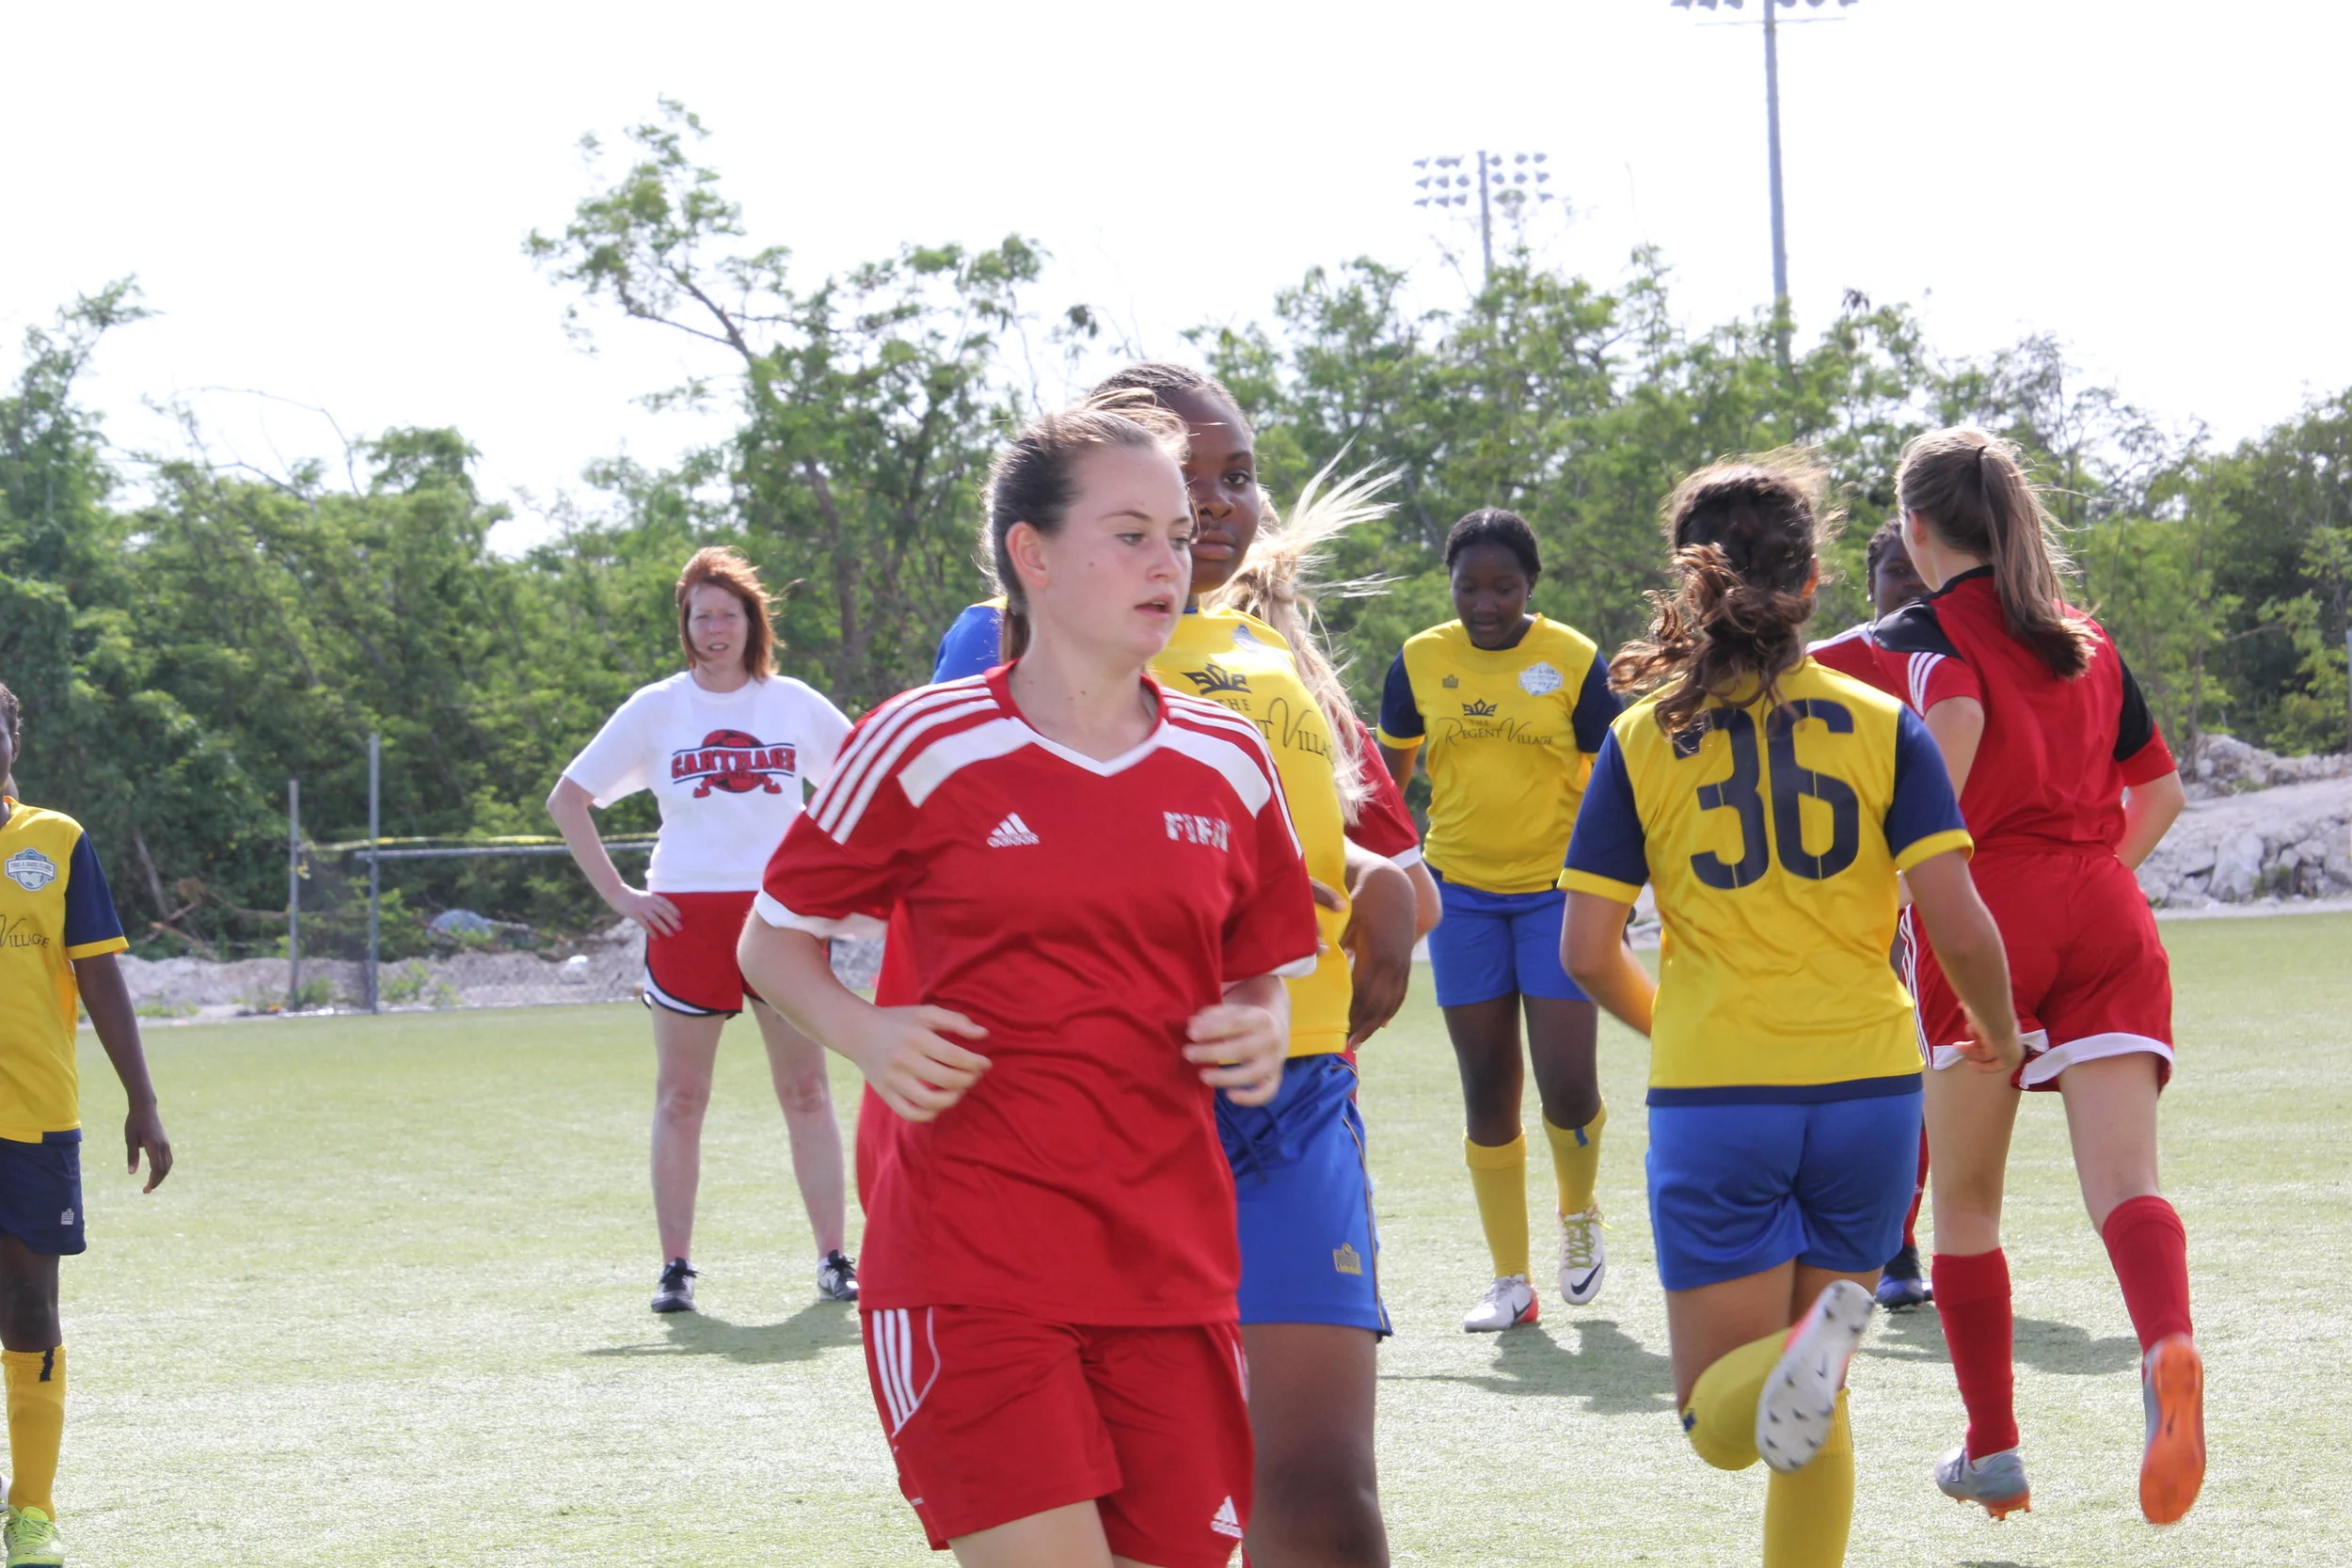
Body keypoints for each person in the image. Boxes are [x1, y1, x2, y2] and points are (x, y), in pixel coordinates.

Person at [738, 397, 1317, 1568]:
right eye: (1131, 534)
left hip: (1174, 1270)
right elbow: (770, 940)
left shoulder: (1229, 758)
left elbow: (1262, 970)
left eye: (1178, 532)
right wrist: (869, 1031)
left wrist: (1258, 1027)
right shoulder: (921, 742)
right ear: (1032, 555)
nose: (1172, 559)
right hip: (972, 1268)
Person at [927, 361, 1434, 1567]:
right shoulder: (1001, 639)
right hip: (1104, 1118)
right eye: (1180, 476)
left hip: (1296, 1099)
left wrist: (1383, 892)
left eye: (1235, 475)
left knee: (1321, 1489)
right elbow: (953, 854)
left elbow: (1384, 856)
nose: (1213, 503)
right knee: (1144, 1495)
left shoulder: (1275, 656)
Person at [1556, 455, 2023, 1568]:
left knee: (1720, 1425)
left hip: (1720, 1092)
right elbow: (1957, 923)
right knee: (1817, 1409)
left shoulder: (1640, 738)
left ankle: (1795, 1354)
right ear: (1815, 579)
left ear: (1687, 581)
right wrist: (2000, 1036)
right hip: (1870, 1095)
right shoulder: (1880, 721)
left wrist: (1672, 1021)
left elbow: (1584, 952)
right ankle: (1813, 1349)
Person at [1873, 430, 2201, 1527]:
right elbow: (2157, 798)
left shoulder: (1904, 635)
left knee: (1965, 1201)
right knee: (2127, 1185)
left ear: (1913, 527)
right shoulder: (2087, 639)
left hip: (1983, 915)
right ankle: (2165, 1342)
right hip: (2105, 907)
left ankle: (1993, 1446)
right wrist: (2086, 881)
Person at [547, 547, 857, 1315]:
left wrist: (840, 891)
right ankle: (676, 1268)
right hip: (685, 916)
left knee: (806, 1091)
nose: (716, 628)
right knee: (682, 1097)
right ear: (685, 626)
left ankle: (833, 1257)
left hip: (780, 919)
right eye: (701, 615)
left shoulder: (792, 703)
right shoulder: (658, 707)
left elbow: (867, 784)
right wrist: (621, 895)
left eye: (729, 613)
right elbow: (569, 798)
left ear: (755, 620)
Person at [1375, 510, 1621, 1332]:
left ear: (1531, 588)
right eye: (1469, 587)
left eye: (1504, 587)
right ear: (1449, 585)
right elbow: (1385, 784)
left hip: (1558, 895)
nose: (1486, 603)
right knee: (1487, 1089)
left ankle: (1579, 1214)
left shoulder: (1574, 660)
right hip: (1462, 897)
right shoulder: (1418, 661)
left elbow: (1615, 780)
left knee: (1567, 1086)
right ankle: (1511, 1281)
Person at [0, 680, 175, 1568]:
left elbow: (101, 976)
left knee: (30, 1305)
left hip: (33, 1120)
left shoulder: (57, 840)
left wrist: (141, 1099)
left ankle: (31, 1511)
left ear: (11, 740)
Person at [1806, 521, 1936, 1310]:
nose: (1911, 586)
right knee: (1890, 1063)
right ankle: (1894, 1243)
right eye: (1895, 572)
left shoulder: (1964, 659)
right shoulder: (1829, 667)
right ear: (1868, 584)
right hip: (1864, 898)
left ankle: (1909, 1236)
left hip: (1951, 885)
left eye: (1924, 571)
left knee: (1935, 1069)